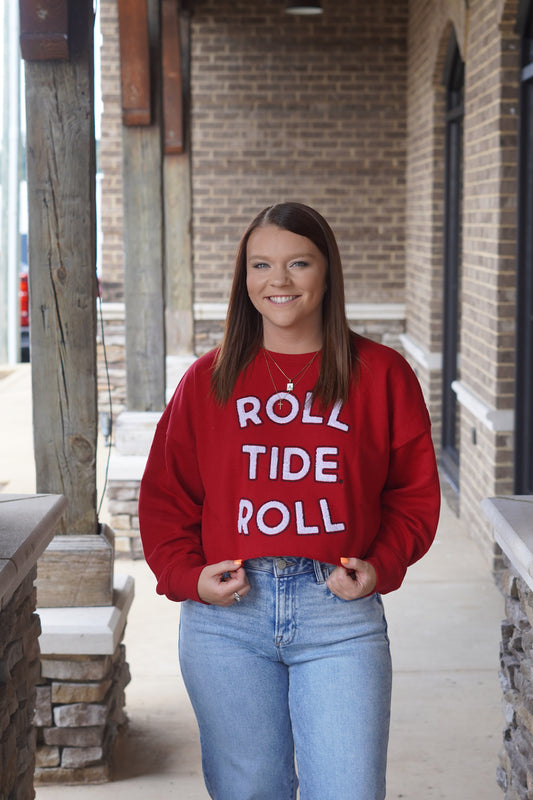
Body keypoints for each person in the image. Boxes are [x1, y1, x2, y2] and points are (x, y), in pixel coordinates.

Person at [138, 201, 441, 800]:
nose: (277, 281)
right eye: (261, 265)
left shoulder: (380, 374)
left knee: (348, 790)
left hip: (338, 616)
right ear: (243, 278)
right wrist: (187, 578)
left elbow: (412, 493)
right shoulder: (208, 378)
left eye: (298, 262)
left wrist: (382, 563)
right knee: (250, 792)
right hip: (228, 621)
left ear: (327, 273)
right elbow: (166, 497)